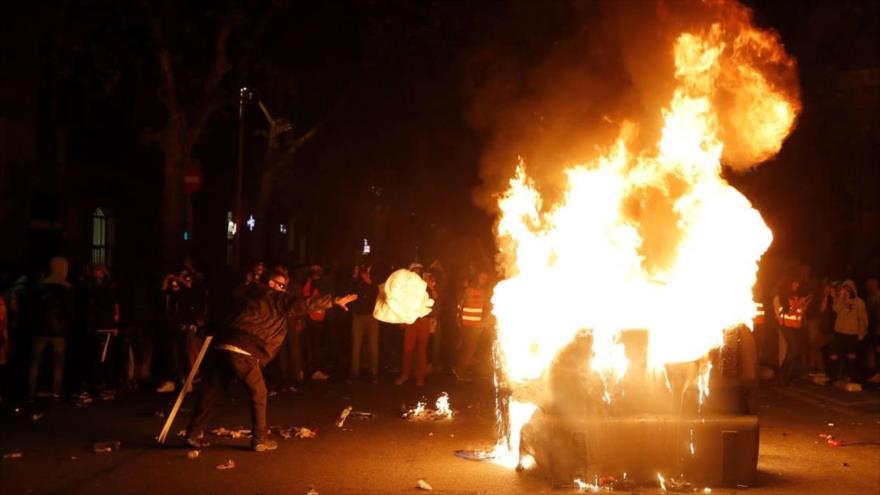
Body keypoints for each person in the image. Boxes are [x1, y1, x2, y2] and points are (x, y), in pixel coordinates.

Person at [185, 268, 355, 452]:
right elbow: (302, 304)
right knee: (259, 392)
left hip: (224, 345)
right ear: (272, 283)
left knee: (212, 391)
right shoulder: (273, 297)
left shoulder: (246, 296)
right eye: (281, 285)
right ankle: (259, 439)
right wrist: (333, 300)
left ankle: (194, 433)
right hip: (245, 349)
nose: (283, 289)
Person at [27, 257, 74, 400]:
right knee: (58, 363)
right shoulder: (67, 288)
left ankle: (30, 392)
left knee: (35, 362)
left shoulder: (39, 287)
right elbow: (70, 311)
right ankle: (56, 392)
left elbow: (32, 308)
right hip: (59, 331)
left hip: (39, 329)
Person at [394, 270, 437, 387]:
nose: (417, 274)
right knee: (408, 350)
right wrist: (403, 319)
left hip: (423, 322)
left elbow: (435, 298)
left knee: (421, 351)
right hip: (411, 321)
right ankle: (405, 375)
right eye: (414, 271)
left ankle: (420, 377)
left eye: (419, 271)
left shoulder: (426, 285)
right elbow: (402, 303)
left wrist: (430, 286)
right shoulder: (407, 287)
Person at [827, 279, 868, 385]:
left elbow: (863, 318)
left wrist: (862, 332)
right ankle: (833, 376)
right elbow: (836, 309)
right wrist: (840, 297)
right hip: (840, 332)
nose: (847, 290)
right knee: (835, 354)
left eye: (848, 288)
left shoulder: (859, 302)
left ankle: (852, 377)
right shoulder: (840, 300)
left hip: (852, 333)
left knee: (851, 355)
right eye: (844, 288)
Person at [453, 271, 490, 381]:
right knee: (469, 348)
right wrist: (458, 320)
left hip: (476, 326)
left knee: (468, 348)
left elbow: (485, 309)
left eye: (485, 278)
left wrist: (484, 323)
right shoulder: (468, 290)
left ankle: (460, 368)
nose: (483, 280)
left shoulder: (484, 292)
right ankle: (459, 371)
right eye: (482, 277)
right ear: (477, 277)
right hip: (466, 325)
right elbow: (459, 305)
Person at [773, 278, 811, 383]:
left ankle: (785, 375)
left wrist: (806, 304)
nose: (797, 285)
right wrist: (799, 303)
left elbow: (800, 313)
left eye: (798, 283)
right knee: (794, 349)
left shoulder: (796, 297)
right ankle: (783, 372)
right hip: (786, 326)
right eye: (795, 283)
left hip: (796, 327)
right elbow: (788, 313)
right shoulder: (780, 298)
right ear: (789, 284)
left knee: (793, 350)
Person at [349, 263, 379, 383]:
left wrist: (369, 281)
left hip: (372, 316)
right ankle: (354, 373)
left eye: (365, 268)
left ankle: (374, 373)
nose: (364, 271)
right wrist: (355, 277)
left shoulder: (374, 278)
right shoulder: (356, 281)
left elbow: (378, 293)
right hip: (358, 316)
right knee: (356, 345)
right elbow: (350, 293)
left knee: (373, 346)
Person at [864, 278, 880, 383]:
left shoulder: (877, 297)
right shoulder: (870, 297)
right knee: (876, 351)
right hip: (874, 329)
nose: (868, 287)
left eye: (870, 284)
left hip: (878, 329)